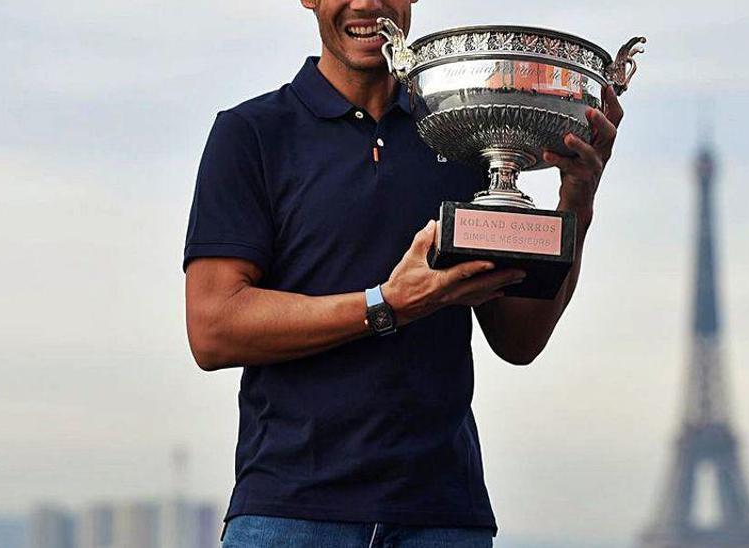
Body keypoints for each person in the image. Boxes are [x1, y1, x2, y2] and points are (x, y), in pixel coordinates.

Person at [183, 0, 623, 546]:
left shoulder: (462, 135)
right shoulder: (250, 134)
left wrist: (576, 199)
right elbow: (213, 328)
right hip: (290, 513)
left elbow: (519, 339)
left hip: (442, 516)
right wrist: (386, 304)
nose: (367, 3)